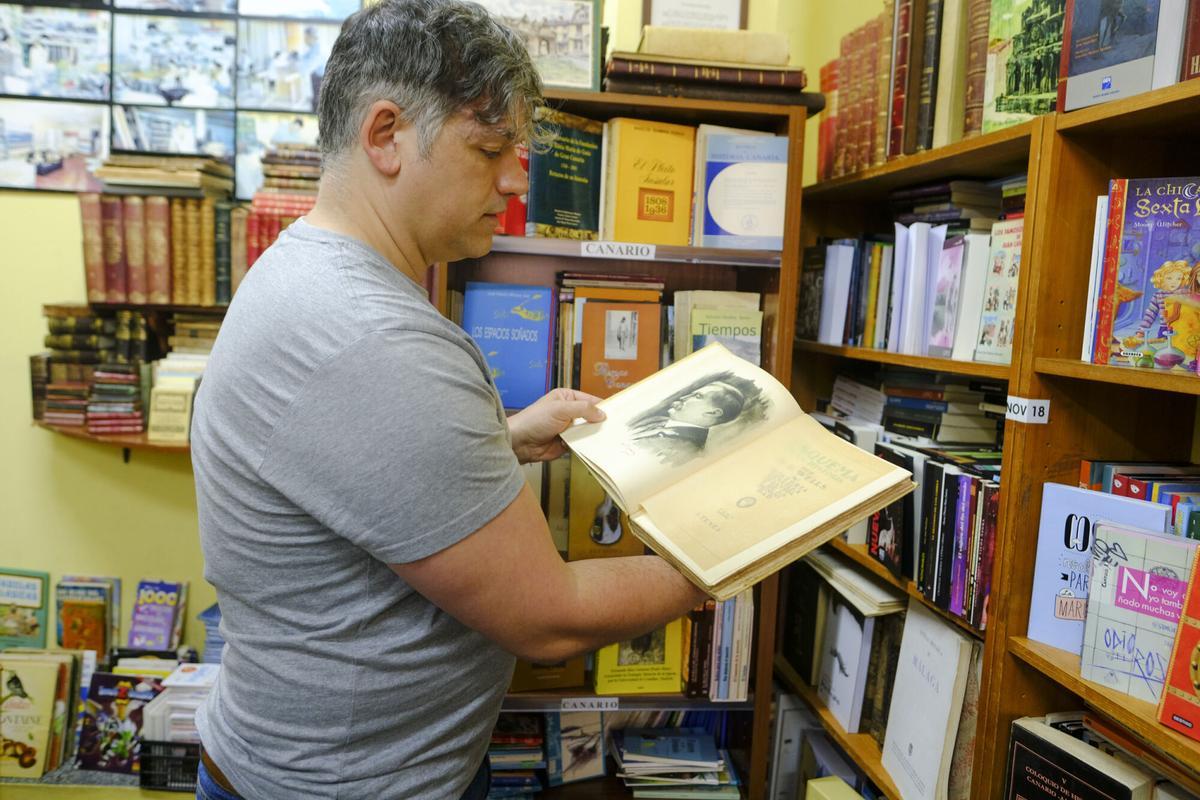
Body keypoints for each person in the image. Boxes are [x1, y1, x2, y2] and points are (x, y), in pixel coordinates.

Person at [189, 2, 706, 799]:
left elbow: (355, 465)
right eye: (489, 148)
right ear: (386, 134)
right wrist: (729, 554)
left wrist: (497, 437)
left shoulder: (306, 269)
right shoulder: (373, 339)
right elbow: (550, 617)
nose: (514, 179)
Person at [629, 377, 750, 465]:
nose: (683, 398)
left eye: (697, 396)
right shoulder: (656, 421)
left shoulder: (686, 451)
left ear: (712, 412)